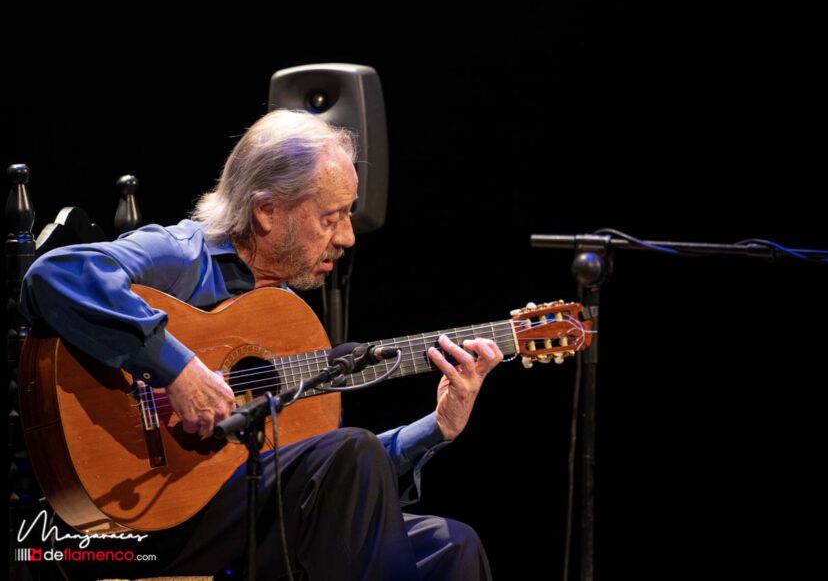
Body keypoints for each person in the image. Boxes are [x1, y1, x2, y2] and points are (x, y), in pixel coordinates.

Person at [19, 109, 499, 580]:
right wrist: (176, 369)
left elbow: (336, 480)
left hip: (245, 510)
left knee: (451, 545)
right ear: (266, 211)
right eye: (330, 218)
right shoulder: (186, 255)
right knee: (350, 452)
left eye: (347, 215)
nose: (348, 237)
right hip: (148, 516)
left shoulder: (285, 317)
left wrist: (437, 427)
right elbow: (55, 274)